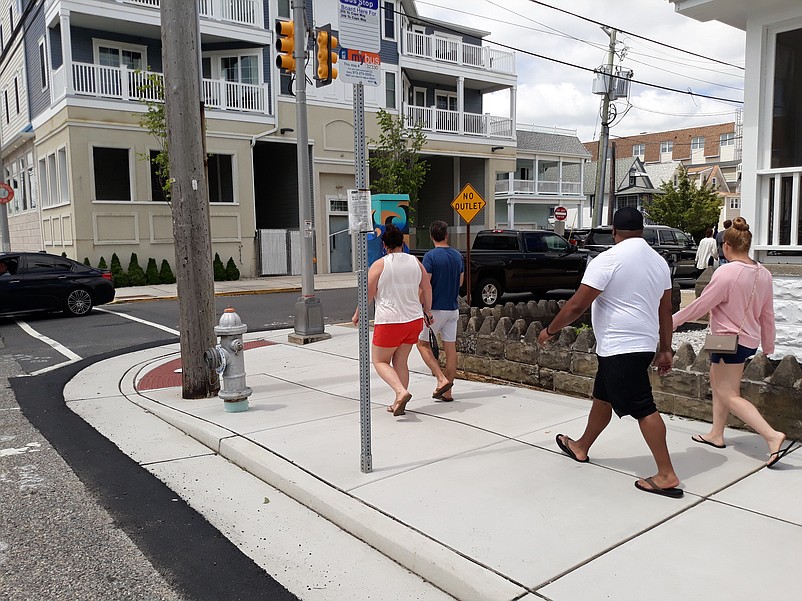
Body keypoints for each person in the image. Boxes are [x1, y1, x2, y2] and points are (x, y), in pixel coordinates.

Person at [538, 206, 683, 498]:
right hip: (640, 345)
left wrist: (550, 331)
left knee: (643, 407)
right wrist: (665, 349)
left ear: (614, 232)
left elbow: (577, 305)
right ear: (641, 231)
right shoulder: (658, 263)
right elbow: (665, 310)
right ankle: (581, 446)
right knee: (602, 398)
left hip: (621, 347)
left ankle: (667, 474)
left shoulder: (608, 259)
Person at [673, 217, 794, 467]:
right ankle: (716, 434)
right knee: (720, 384)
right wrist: (768, 345)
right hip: (746, 340)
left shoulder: (726, 272)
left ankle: (772, 436)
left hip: (727, 341)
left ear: (726, 246)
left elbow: (701, 306)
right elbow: (767, 314)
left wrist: (671, 322)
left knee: (727, 393)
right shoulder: (764, 273)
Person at [352, 224, 433, 416]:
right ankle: (399, 402)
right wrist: (428, 311)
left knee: (380, 361)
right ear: (402, 243)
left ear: (384, 245)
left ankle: (400, 392)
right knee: (401, 361)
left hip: (390, 320)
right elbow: (427, 287)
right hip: (413, 319)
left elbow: (367, 294)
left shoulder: (380, 265)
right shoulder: (415, 261)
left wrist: (358, 314)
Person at [417, 221, 464, 401]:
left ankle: (441, 379)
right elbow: (460, 282)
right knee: (450, 349)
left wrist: (421, 306)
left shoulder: (430, 257)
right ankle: (448, 392)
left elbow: (425, 285)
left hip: (434, 309)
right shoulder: (457, 256)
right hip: (452, 309)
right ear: (446, 235)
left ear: (431, 236)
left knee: (422, 344)